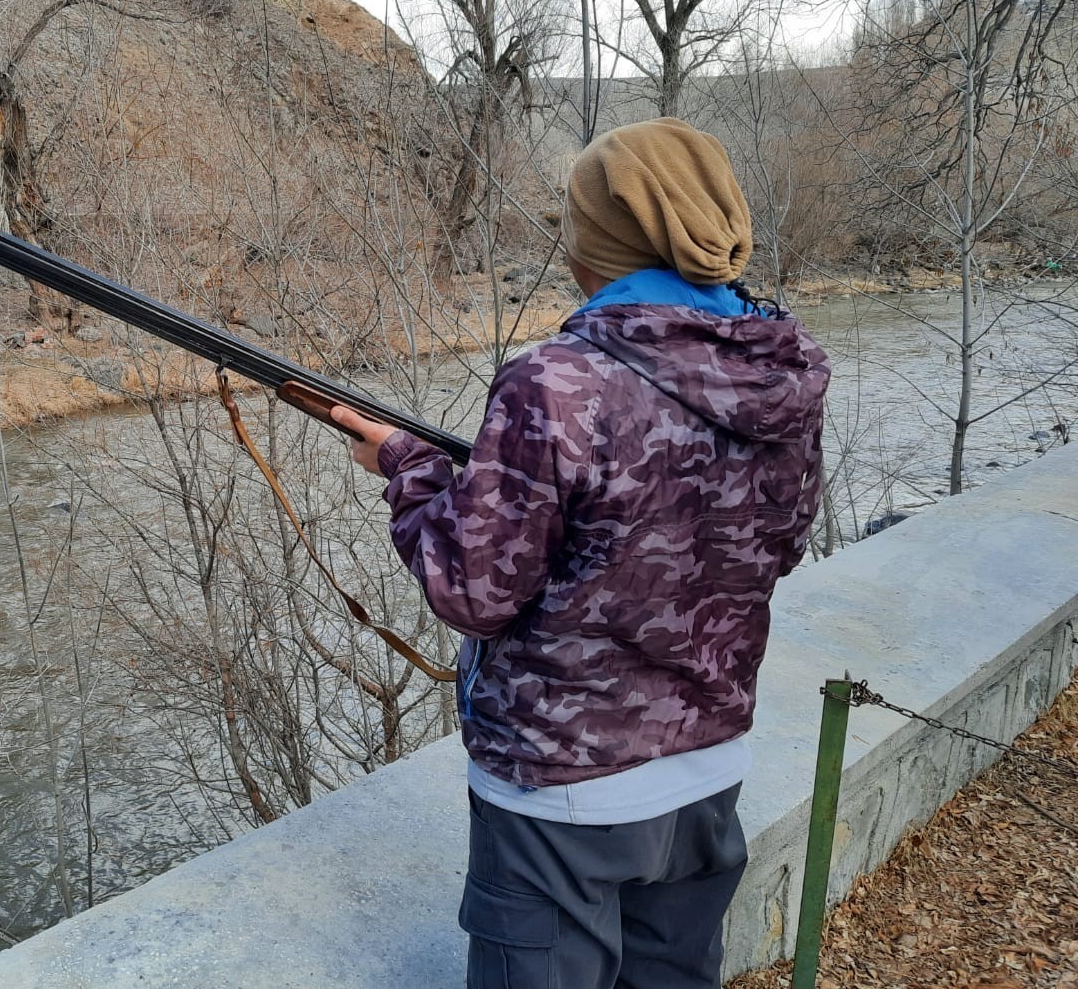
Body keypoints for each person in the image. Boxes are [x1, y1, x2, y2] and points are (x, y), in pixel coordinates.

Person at [331, 118, 830, 989]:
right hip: (708, 772)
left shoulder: (555, 381)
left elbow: (471, 591)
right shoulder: (786, 371)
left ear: (597, 238)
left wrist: (408, 470)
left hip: (562, 792)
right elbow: (777, 544)